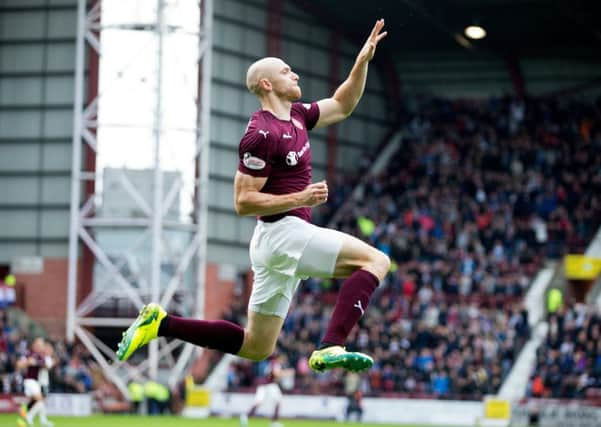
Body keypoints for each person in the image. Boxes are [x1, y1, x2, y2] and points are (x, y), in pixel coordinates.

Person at [117, 19, 389, 373]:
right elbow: (243, 202)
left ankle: (160, 324)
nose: (295, 76)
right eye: (286, 71)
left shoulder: (297, 116)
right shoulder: (260, 134)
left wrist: (362, 62)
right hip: (282, 234)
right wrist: (302, 198)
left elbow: (342, 104)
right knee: (376, 261)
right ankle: (331, 345)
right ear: (266, 83)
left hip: (278, 240)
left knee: (256, 347)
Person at [16, 338, 54, 427]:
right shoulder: (29, 354)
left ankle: (27, 411)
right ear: (34, 345)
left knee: (38, 401)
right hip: (30, 381)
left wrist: (44, 361)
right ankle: (29, 415)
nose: (41, 347)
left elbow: (47, 367)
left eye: (42, 345)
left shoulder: (41, 356)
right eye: (39, 345)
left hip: (37, 382)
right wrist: (27, 363)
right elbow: (19, 364)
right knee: (40, 399)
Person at [240, 354, 285, 427]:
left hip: (264, 384)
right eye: (282, 359)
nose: (283, 361)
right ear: (279, 358)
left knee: (261, 401)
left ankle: (246, 416)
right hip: (269, 384)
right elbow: (275, 374)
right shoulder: (275, 363)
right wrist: (286, 373)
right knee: (276, 401)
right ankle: (274, 422)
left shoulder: (271, 363)